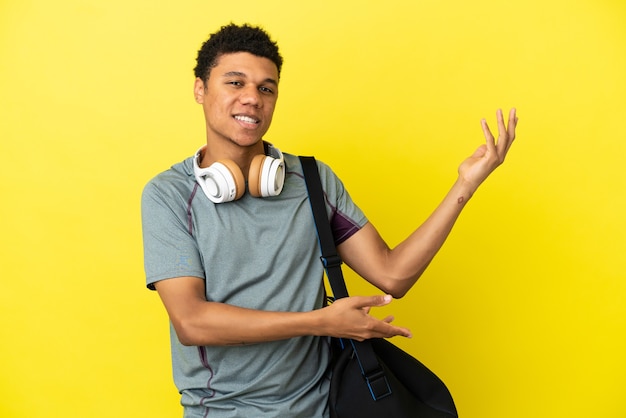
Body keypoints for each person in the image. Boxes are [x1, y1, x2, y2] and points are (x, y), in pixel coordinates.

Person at [141, 23, 518, 418]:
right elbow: (193, 322)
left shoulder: (312, 179)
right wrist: (322, 322)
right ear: (200, 89)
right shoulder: (167, 195)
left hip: (322, 409)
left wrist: (464, 186)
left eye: (266, 88)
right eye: (235, 83)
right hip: (221, 412)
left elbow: (393, 275)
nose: (252, 98)